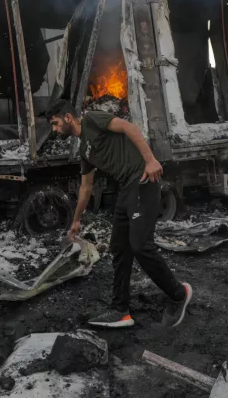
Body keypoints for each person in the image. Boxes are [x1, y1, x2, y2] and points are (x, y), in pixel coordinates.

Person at [47, 100, 192, 328]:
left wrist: (151, 160)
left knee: (140, 246)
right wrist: (76, 220)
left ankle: (178, 294)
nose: (54, 130)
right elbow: (86, 187)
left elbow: (128, 128)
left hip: (142, 179)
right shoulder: (84, 150)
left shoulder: (92, 120)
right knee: (119, 248)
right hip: (126, 188)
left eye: (55, 124)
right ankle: (120, 310)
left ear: (67, 117)